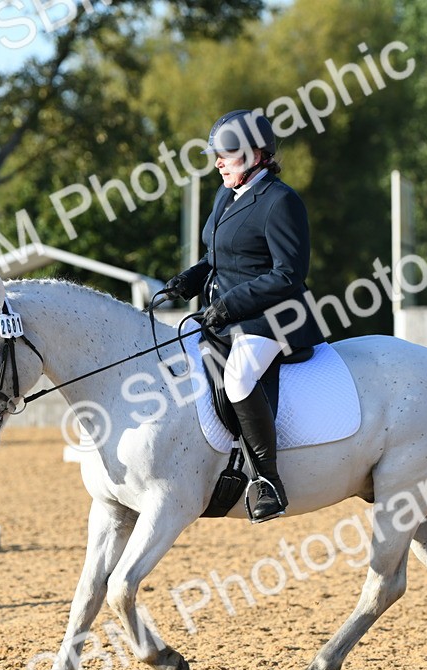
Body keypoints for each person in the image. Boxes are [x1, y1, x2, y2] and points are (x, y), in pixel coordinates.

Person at [163, 109, 325, 522]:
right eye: (216, 153)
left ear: (256, 154)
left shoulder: (281, 200)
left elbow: (288, 274)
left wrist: (230, 305)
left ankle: (267, 481)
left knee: (238, 376)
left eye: (227, 154)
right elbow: (216, 258)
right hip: (225, 312)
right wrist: (189, 279)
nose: (218, 161)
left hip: (274, 316)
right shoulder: (226, 194)